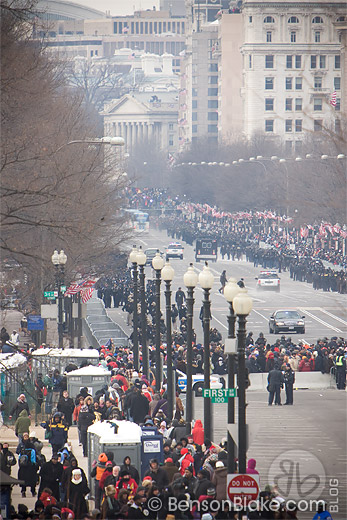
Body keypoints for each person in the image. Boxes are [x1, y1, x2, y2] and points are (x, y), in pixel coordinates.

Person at [17, 433, 39, 498]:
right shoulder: (32, 451)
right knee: (32, 481)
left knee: (23, 481)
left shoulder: (22, 450)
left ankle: (23, 492)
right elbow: (33, 460)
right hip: (30, 468)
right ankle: (33, 492)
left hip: (23, 468)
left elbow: (19, 458)